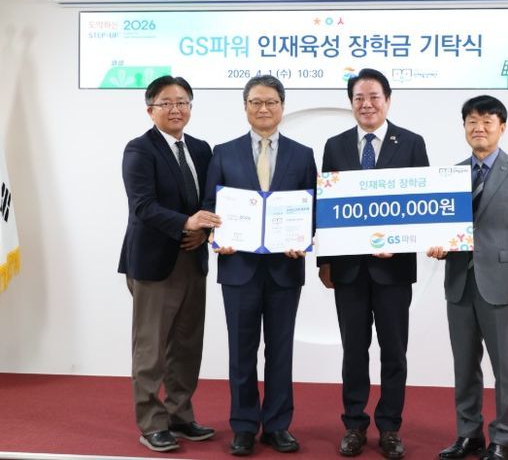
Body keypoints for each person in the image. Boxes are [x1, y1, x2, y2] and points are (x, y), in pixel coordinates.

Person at [318, 68, 429, 459]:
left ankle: (390, 427)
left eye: (374, 97)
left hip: (393, 270)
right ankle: (354, 424)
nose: (366, 104)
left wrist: (399, 243)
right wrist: (325, 261)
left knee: (394, 352)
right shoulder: (335, 146)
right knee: (354, 350)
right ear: (351, 103)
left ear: (388, 100)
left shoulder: (411, 143)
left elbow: (422, 204)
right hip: (348, 269)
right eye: (359, 98)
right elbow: (327, 207)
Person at [203, 75, 317, 457]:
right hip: (238, 267)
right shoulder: (224, 152)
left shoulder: (303, 155)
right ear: (245, 107)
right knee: (241, 351)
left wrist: (303, 239)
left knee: (280, 351)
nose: (263, 108)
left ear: (282, 107)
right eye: (255, 102)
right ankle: (244, 426)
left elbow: (312, 208)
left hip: (285, 269)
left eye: (270, 102)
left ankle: (278, 425)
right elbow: (210, 207)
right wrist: (216, 236)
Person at [427, 95, 508, 460]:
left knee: (506, 369)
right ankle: (469, 434)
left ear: (501, 127)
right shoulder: (451, 175)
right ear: (464, 127)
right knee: (464, 367)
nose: (478, 128)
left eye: (487, 121)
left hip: (503, 286)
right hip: (460, 285)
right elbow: (443, 228)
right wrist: (439, 246)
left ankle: (503, 439)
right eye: (472, 122)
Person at [119, 75, 221, 452]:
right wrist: (185, 223)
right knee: (151, 347)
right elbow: (142, 206)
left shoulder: (201, 149)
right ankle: (151, 423)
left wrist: (204, 231)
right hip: (154, 264)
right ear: (151, 110)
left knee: (187, 344)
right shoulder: (139, 150)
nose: (176, 109)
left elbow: (213, 198)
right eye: (166, 103)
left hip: (194, 258)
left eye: (182, 102)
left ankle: (180, 415)